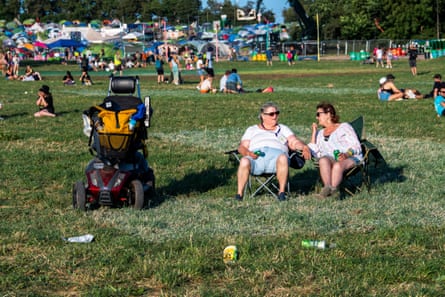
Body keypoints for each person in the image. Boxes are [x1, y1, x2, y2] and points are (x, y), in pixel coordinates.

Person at [235, 102, 311, 201]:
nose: (275, 116)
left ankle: (281, 193)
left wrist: (303, 147)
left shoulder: (283, 129)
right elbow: (242, 147)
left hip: (277, 158)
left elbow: (293, 142)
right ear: (263, 116)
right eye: (271, 114)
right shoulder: (252, 129)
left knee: (283, 157)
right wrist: (248, 153)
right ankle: (239, 195)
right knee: (244, 161)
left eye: (277, 113)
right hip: (257, 158)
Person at [308, 102, 363, 198]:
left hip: (351, 158)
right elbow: (313, 151)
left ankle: (333, 191)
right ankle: (327, 188)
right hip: (331, 159)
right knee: (323, 160)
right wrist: (314, 133)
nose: (317, 117)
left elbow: (356, 145)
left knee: (338, 165)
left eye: (318, 114)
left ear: (328, 114)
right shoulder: (320, 133)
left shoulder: (344, 127)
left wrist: (346, 154)